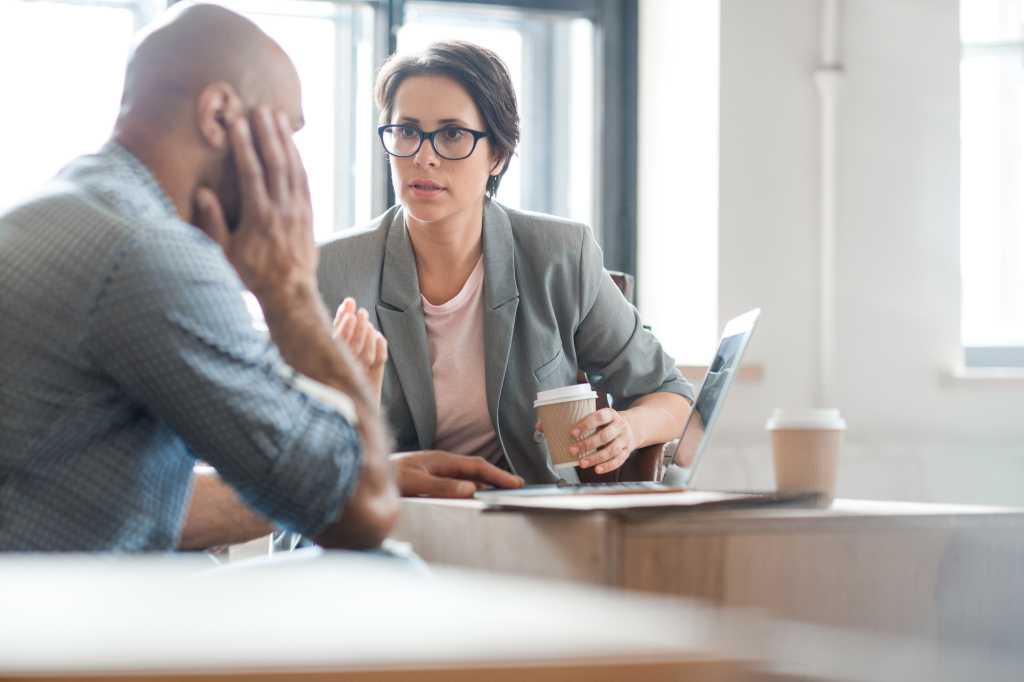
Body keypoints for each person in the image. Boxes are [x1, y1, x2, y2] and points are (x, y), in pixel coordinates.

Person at [0, 3, 398, 551]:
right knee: (388, 572)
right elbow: (362, 508)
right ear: (218, 114)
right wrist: (290, 292)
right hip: (44, 629)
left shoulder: (67, 207)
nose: (294, 166)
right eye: (287, 130)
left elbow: (143, 503)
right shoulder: (148, 252)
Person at [318, 41, 695, 494]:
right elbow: (294, 452)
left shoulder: (559, 254)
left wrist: (628, 429)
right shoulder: (331, 271)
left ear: (496, 154)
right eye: (406, 131)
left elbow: (671, 392)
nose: (424, 155)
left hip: (532, 514)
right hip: (396, 519)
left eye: (453, 134)